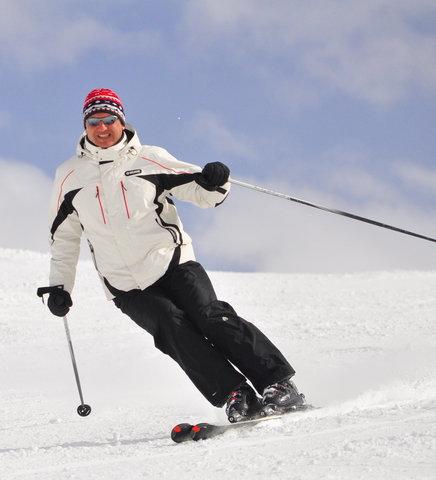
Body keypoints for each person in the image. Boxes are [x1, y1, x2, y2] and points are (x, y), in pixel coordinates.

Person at [40, 88, 305, 422]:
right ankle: (236, 395)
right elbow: (63, 237)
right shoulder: (69, 176)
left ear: (122, 121)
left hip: (172, 262)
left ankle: (278, 385)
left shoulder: (148, 158)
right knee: (172, 329)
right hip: (124, 283)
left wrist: (215, 180)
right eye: (95, 121)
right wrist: (60, 286)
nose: (102, 127)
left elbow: (202, 191)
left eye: (110, 119)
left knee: (209, 316)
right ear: (85, 126)